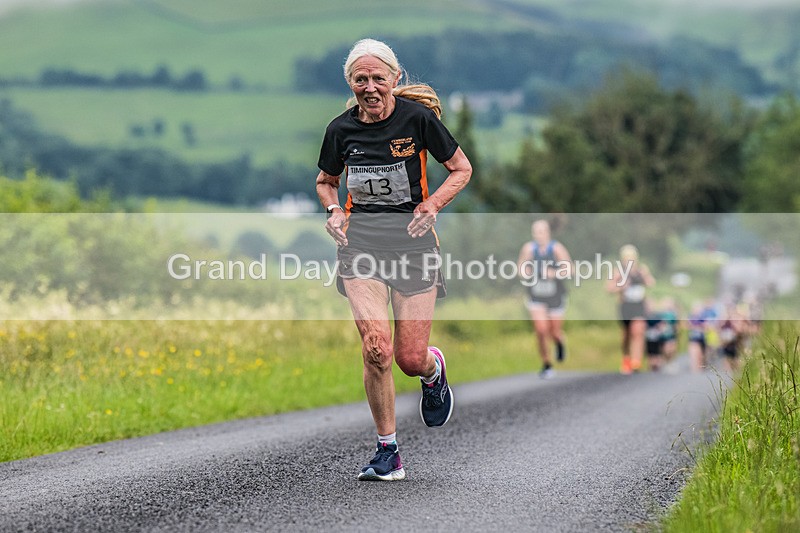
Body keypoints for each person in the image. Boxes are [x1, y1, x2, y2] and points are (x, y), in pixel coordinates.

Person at [315, 38, 472, 481]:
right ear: (350, 83)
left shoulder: (417, 119)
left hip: (414, 247)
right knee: (376, 348)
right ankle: (388, 452)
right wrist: (332, 211)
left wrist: (432, 205)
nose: (369, 86)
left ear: (394, 79)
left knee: (408, 357)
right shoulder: (339, 130)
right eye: (360, 79)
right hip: (360, 245)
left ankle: (432, 369)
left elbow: (461, 168)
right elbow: (326, 181)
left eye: (378, 78)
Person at [517, 219, 572, 378]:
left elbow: (569, 269)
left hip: (555, 296)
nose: (538, 235)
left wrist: (553, 274)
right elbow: (520, 267)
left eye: (541, 231)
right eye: (536, 232)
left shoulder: (556, 248)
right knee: (541, 330)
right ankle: (547, 364)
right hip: (536, 295)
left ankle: (559, 341)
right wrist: (526, 272)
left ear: (548, 233)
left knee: (554, 331)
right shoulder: (529, 248)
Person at [607, 245, 654, 374]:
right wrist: (621, 286)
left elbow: (651, 282)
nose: (630, 262)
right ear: (622, 260)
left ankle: (636, 362)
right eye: (627, 259)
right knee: (626, 335)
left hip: (639, 305)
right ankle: (627, 359)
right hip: (625, 307)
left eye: (632, 259)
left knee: (638, 331)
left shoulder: (642, 270)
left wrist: (645, 279)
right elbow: (609, 288)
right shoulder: (618, 272)